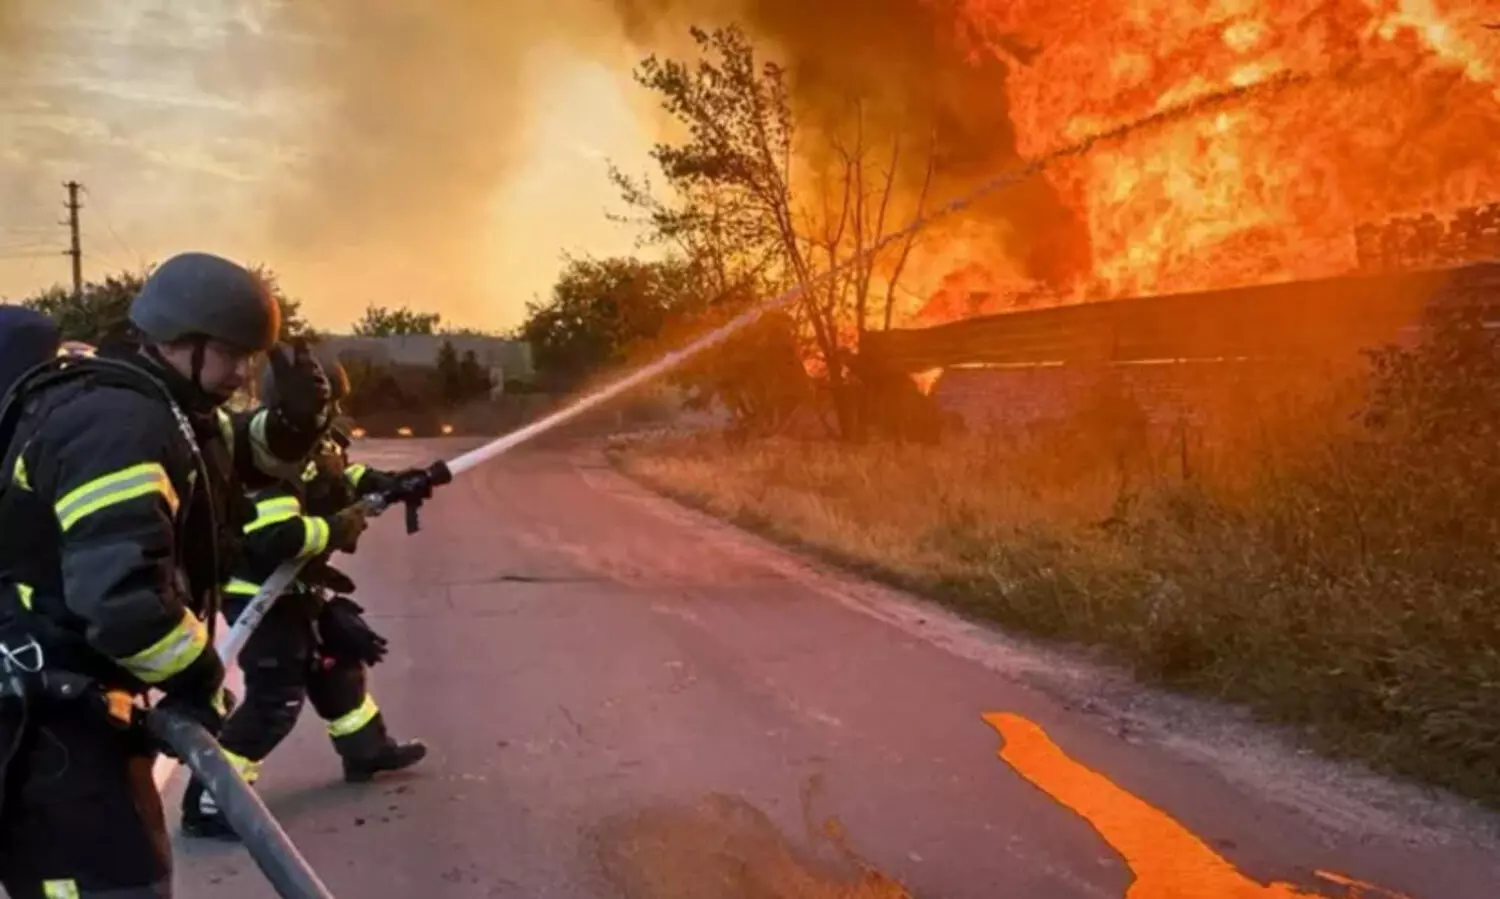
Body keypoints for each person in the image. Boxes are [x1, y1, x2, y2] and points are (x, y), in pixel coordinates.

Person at [0, 252, 331, 899]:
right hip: (46, 727)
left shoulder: (159, 403)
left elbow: (223, 463)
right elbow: (122, 602)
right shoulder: (117, 426)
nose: (241, 373)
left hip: (80, 708)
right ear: (185, 340)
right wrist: (197, 676)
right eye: (234, 354)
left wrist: (292, 430)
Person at [182, 350, 428, 840]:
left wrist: (383, 483)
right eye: (323, 409)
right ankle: (208, 802)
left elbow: (336, 475)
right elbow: (279, 541)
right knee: (276, 697)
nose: (330, 419)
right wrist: (341, 525)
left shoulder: (318, 441)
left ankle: (366, 750)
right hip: (260, 593)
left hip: (300, 587)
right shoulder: (261, 457)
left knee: (336, 663)